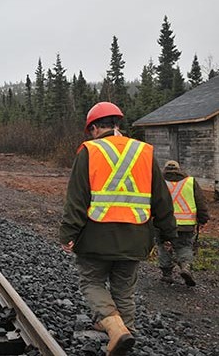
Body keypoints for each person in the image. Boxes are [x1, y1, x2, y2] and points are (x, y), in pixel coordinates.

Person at [59, 101, 177, 356]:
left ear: (93, 128)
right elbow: (161, 199)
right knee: (124, 289)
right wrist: (168, 234)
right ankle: (127, 334)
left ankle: (114, 328)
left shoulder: (89, 151)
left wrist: (68, 234)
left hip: (95, 237)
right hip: (135, 237)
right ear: (117, 125)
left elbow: (77, 200)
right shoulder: (144, 152)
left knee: (91, 282)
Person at [157, 160, 210, 286]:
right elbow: (200, 202)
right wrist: (203, 219)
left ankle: (166, 275)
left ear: (165, 169)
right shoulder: (190, 182)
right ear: (179, 169)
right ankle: (185, 266)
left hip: (164, 223)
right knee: (184, 246)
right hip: (186, 224)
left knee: (163, 246)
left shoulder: (159, 182)